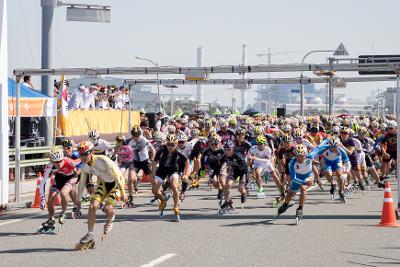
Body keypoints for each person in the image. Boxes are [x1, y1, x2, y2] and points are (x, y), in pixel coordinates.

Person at [76, 141, 127, 249]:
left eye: (85, 154)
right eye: (81, 155)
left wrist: (123, 193)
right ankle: (90, 233)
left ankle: (111, 216)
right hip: (103, 184)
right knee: (92, 206)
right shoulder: (85, 167)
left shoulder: (102, 160)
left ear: (91, 152)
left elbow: (117, 175)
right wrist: (78, 201)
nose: (83, 157)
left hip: (116, 183)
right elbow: (81, 184)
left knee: (108, 208)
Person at [276, 142, 329, 224]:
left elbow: (318, 148)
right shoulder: (292, 163)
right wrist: (303, 182)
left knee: (303, 189)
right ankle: (285, 205)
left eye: (302, 156)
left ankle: (300, 209)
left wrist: (327, 141)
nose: (300, 158)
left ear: (306, 155)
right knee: (290, 193)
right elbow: (294, 178)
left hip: (308, 176)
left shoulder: (310, 156)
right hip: (297, 177)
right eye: (297, 156)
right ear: (294, 155)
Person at [39, 147, 79, 233]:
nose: (59, 163)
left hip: (71, 177)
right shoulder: (49, 166)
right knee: (50, 199)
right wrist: (42, 198)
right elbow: (43, 182)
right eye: (56, 162)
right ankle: (51, 219)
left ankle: (63, 213)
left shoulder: (69, 162)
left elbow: (83, 161)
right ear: (51, 160)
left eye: (60, 161)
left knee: (63, 193)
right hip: (59, 177)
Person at [151, 134, 190, 221]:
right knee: (154, 190)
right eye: (168, 144)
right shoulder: (161, 150)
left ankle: (176, 206)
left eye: (173, 145)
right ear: (166, 143)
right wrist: (153, 175)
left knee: (174, 186)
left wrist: (186, 174)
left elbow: (187, 162)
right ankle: (163, 199)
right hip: (162, 170)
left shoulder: (178, 152)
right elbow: (154, 162)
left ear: (176, 144)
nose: (170, 147)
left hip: (173, 170)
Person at [127, 126, 155, 205]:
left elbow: (153, 150)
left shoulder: (144, 140)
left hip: (145, 162)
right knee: (130, 179)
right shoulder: (129, 141)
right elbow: (120, 147)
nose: (136, 138)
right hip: (135, 162)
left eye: (137, 136)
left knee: (152, 180)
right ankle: (130, 197)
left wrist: (152, 160)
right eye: (134, 136)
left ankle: (157, 194)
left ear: (140, 134)